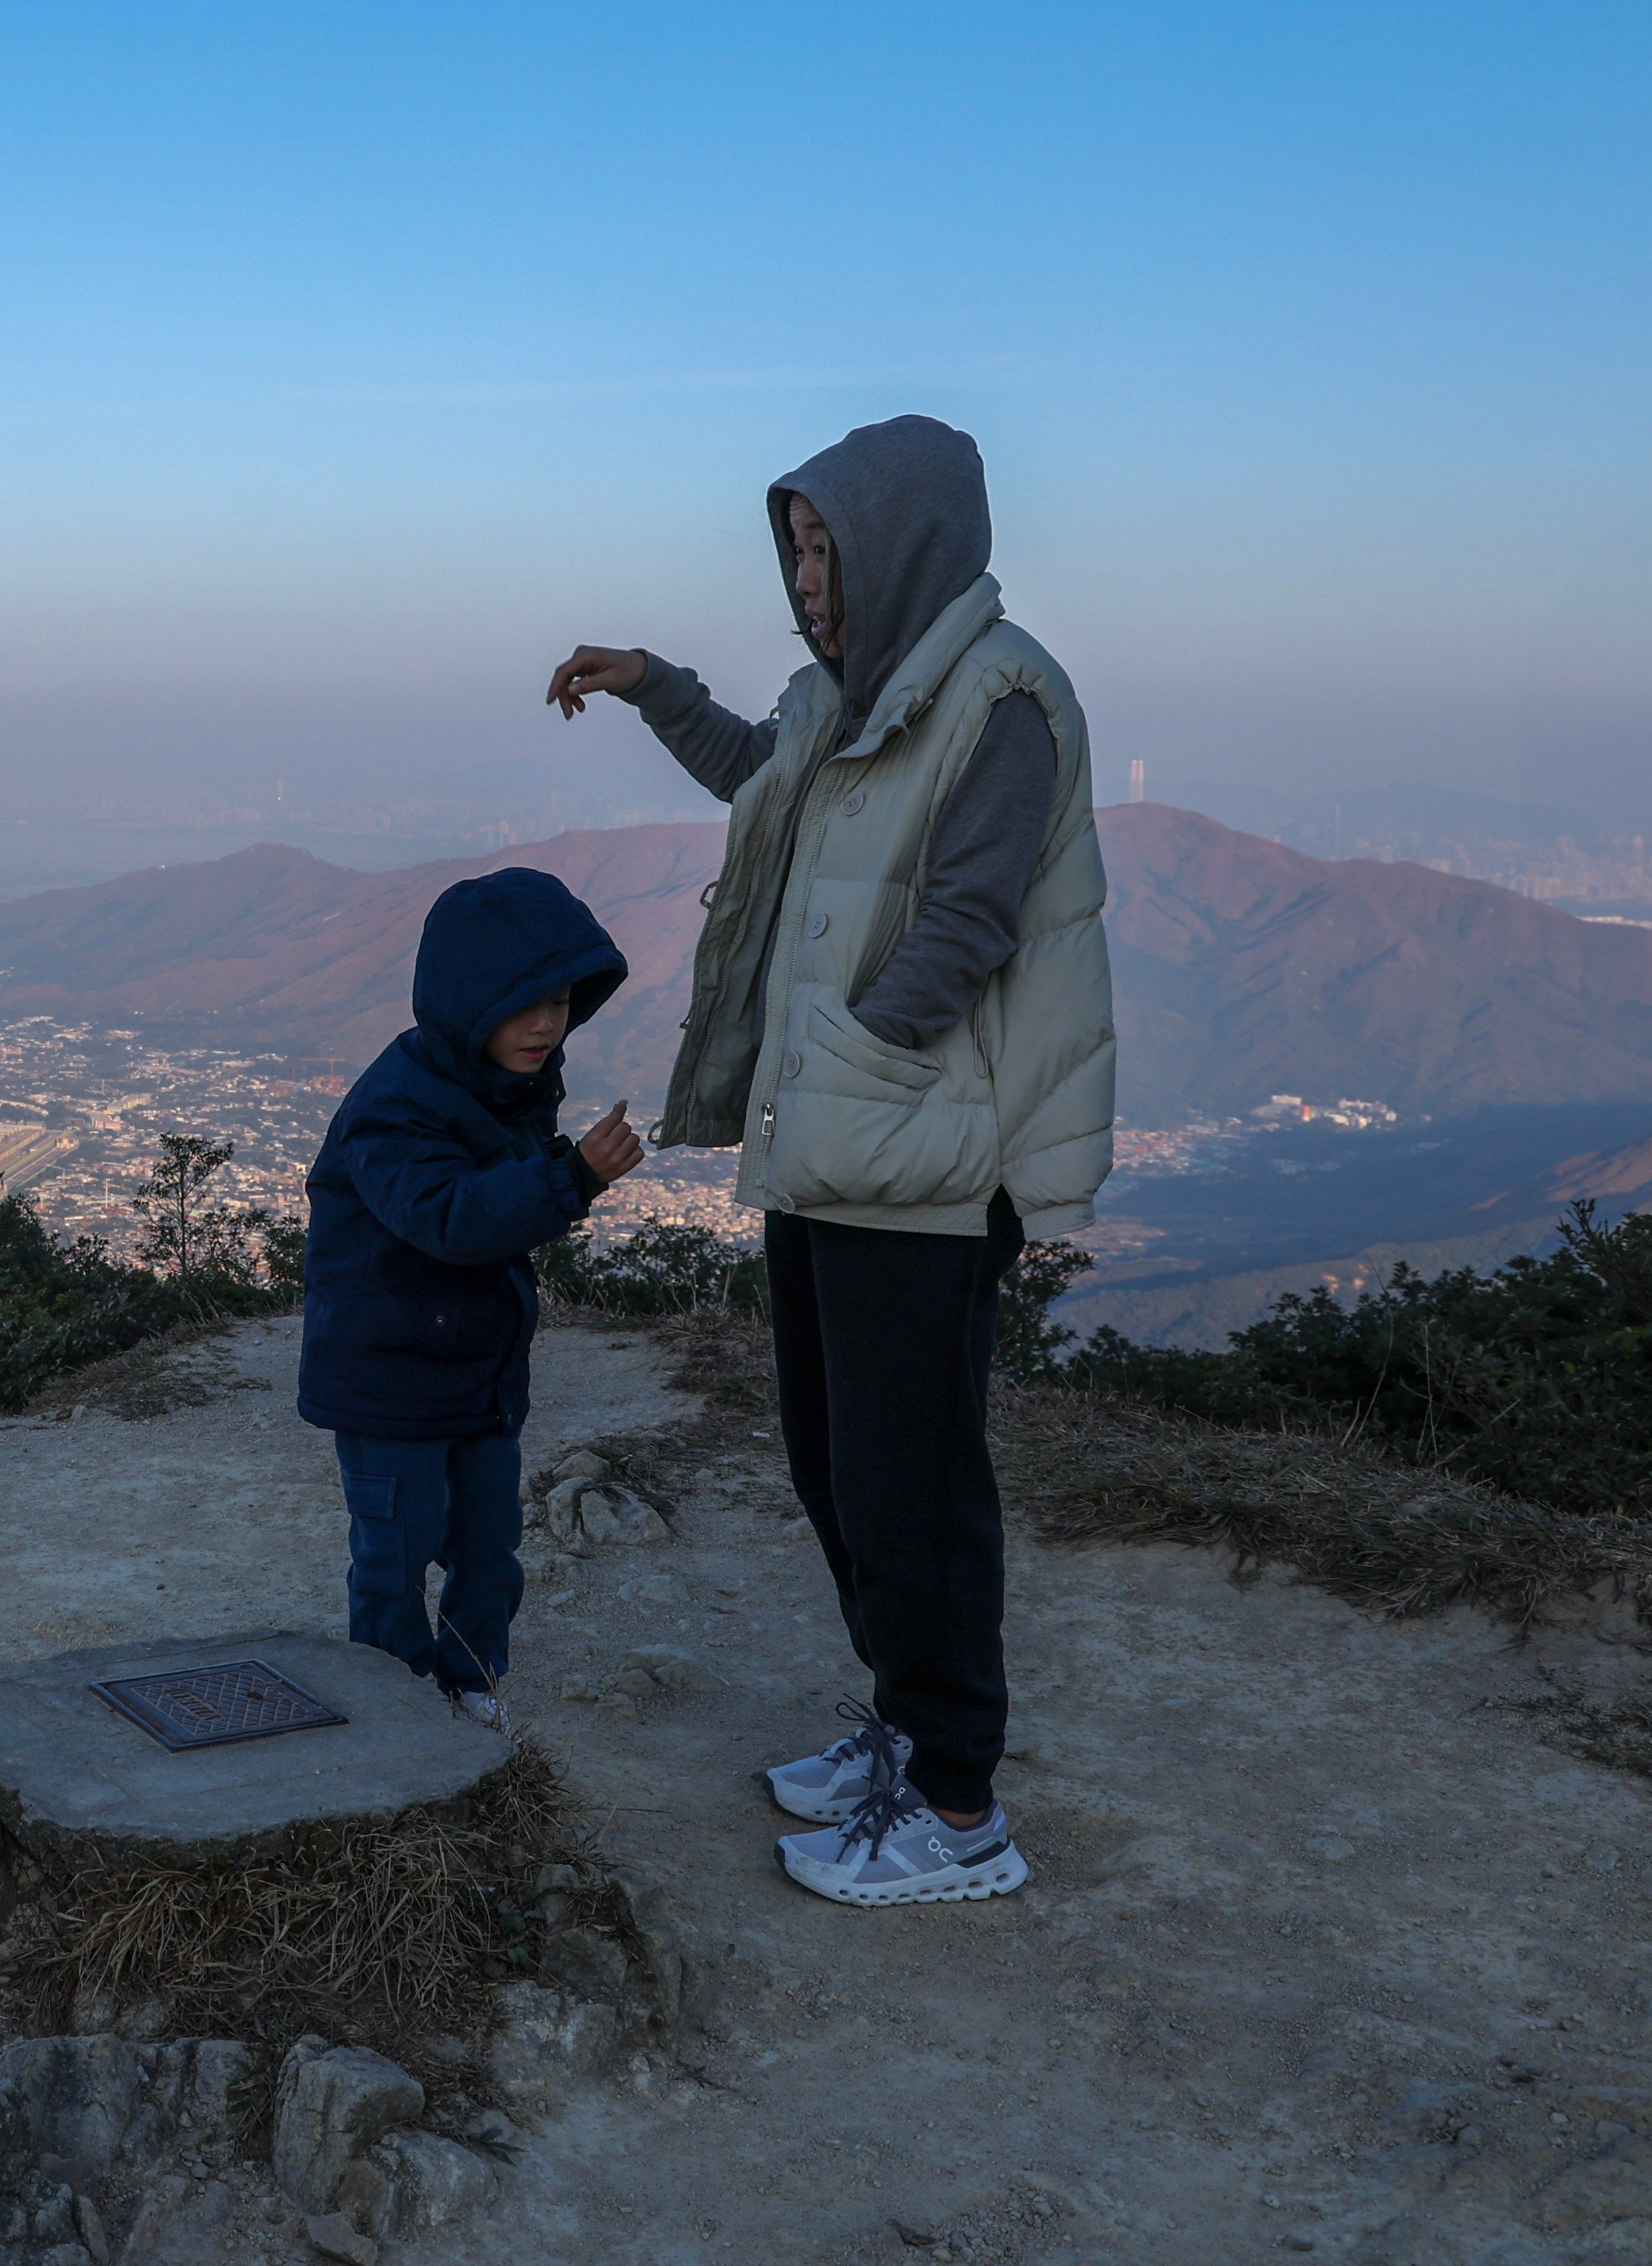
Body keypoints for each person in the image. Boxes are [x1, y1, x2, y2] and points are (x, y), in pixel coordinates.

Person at [542, 413, 1115, 1907]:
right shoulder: (848, 699)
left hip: (918, 1151)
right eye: (794, 547)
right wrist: (654, 686)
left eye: (829, 546)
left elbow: (974, 919)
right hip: (839, 1143)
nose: (807, 577)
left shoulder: (1001, 699)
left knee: (911, 1483)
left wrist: (852, 1051)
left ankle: (962, 1810)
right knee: (833, 1461)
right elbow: (758, 777)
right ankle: (905, 1727)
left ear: (904, 540)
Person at [297, 868, 640, 1726]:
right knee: (395, 1555)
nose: (544, 1023)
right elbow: (448, 1220)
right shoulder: (395, 1106)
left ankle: (472, 1688)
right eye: (521, 1003)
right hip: (387, 1380)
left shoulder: (509, 1087)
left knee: (490, 1550)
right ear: (465, 1001)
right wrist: (572, 1178)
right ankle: (390, 1709)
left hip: (477, 1375)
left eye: (561, 1001)